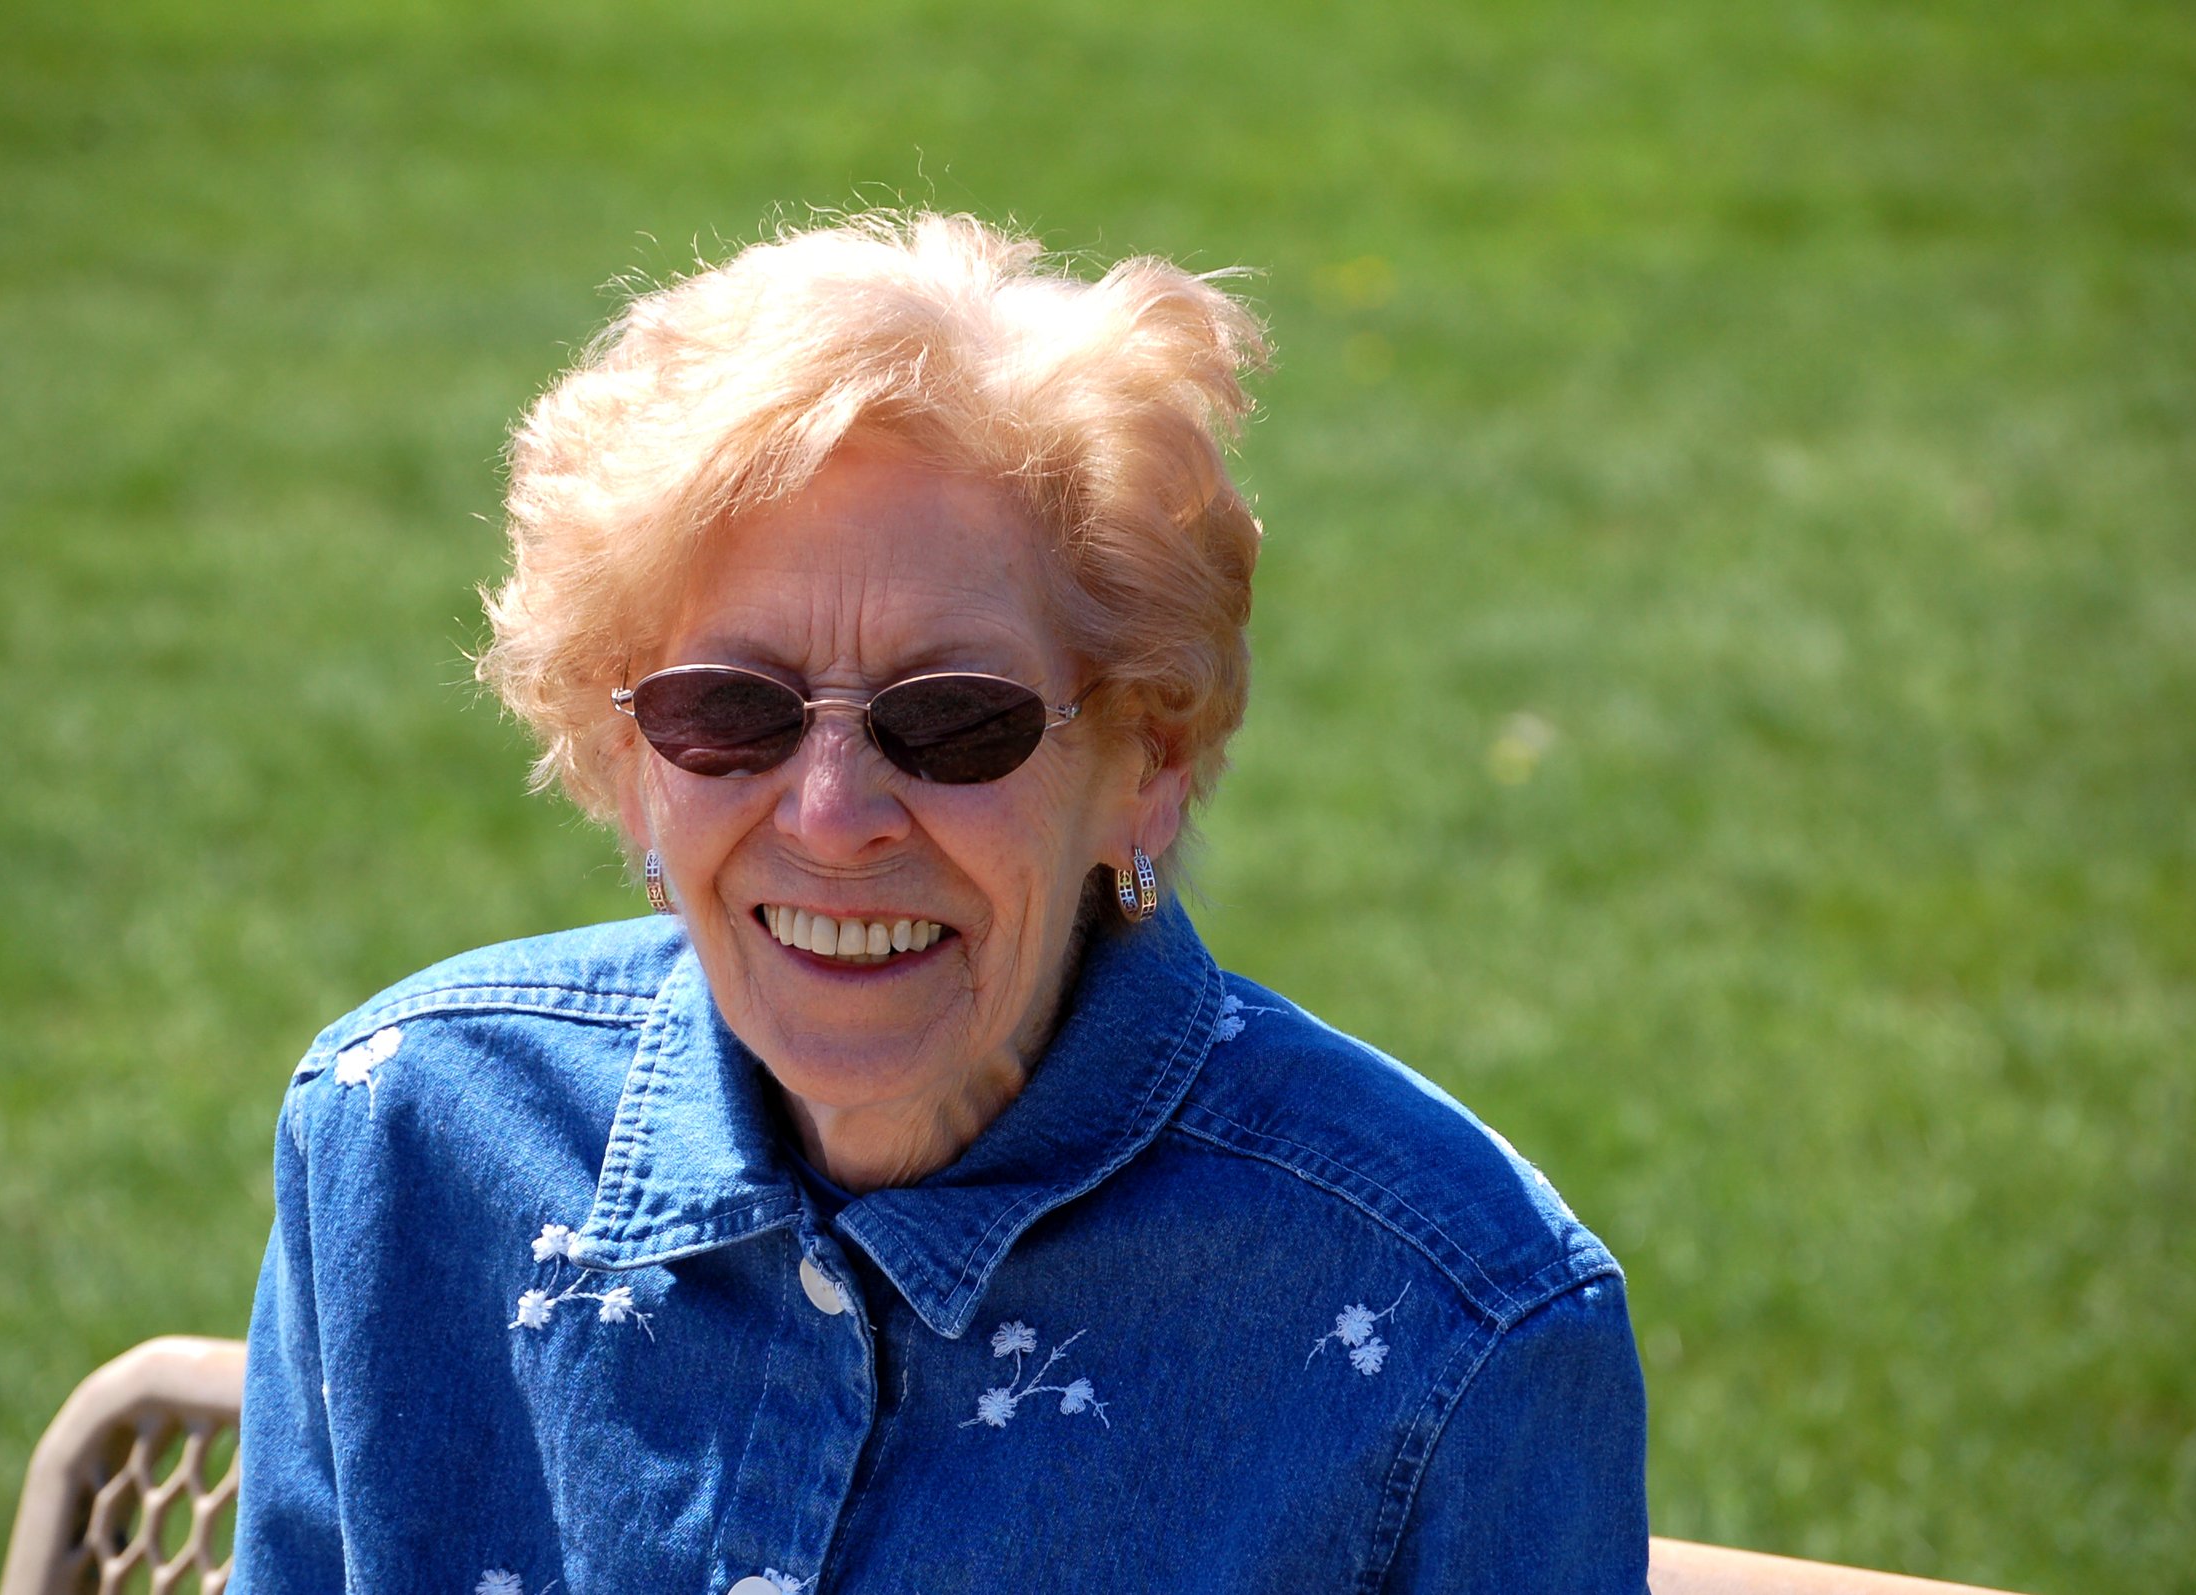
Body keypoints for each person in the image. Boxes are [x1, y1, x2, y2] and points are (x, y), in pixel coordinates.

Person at [238, 212, 1648, 1594]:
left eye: (955, 720)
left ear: (1146, 767)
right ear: (625, 758)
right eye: (731, 710)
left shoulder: (1458, 1319)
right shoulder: (404, 1138)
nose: (834, 815)